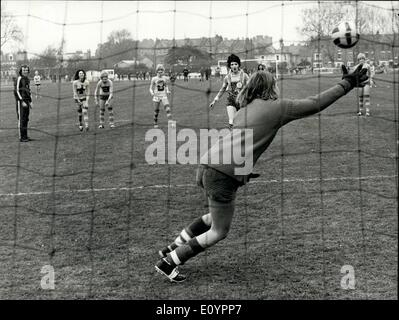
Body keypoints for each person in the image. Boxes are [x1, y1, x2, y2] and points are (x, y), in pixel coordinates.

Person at [154, 65, 368, 283]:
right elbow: (315, 104)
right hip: (222, 174)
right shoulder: (278, 107)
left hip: (207, 166)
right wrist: (347, 84)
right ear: (269, 86)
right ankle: (170, 261)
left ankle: (170, 248)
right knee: (219, 230)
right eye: (274, 82)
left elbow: (238, 143)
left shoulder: (243, 109)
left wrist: (244, 170)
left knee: (212, 218)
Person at [209, 54, 249, 129]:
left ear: (238, 65)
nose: (234, 66)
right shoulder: (227, 77)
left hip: (242, 101)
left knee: (242, 123)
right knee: (231, 121)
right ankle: (233, 138)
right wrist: (215, 100)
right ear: (230, 66)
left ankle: (243, 137)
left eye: (235, 64)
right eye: (232, 64)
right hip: (231, 100)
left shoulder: (245, 76)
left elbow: (251, 87)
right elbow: (222, 89)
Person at [150, 64, 174, 128]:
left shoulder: (165, 78)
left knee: (168, 109)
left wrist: (168, 90)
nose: (160, 71)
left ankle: (171, 122)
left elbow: (166, 85)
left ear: (163, 71)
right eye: (159, 70)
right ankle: (155, 122)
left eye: (161, 70)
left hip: (164, 96)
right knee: (156, 111)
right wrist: (152, 93)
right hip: (156, 96)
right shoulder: (154, 79)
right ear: (157, 71)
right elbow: (150, 88)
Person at [15, 65, 33, 142]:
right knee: (22, 119)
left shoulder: (27, 79)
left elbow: (29, 91)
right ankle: (21, 137)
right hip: (21, 102)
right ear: (21, 71)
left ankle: (25, 136)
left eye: (26, 70)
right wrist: (22, 101)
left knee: (26, 119)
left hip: (27, 102)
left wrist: (31, 101)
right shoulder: (19, 78)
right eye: (24, 70)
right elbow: (17, 91)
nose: (25, 71)